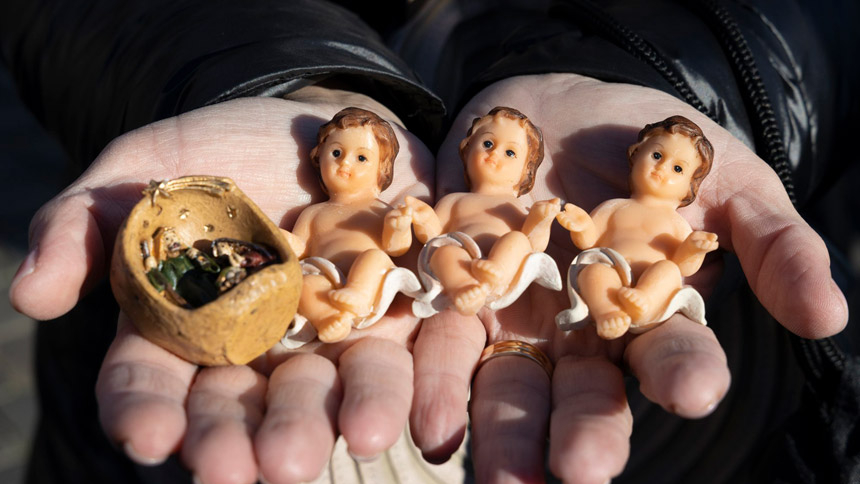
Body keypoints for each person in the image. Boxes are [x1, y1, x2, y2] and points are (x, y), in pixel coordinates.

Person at [2, 1, 857, 483]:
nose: (486, 155)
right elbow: (301, 243)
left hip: (590, 312)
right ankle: (349, 307)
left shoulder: (646, 215)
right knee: (385, 261)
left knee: (567, 267)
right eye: (335, 154)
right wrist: (405, 229)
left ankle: (606, 303)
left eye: (507, 153)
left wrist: (619, 237)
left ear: (528, 165)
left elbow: (578, 232)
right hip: (396, 272)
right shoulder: (346, 209)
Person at [556, 115, 718, 338]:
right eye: (657, 155)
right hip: (613, 268)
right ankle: (607, 311)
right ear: (636, 154)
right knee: (593, 271)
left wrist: (694, 249)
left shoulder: (677, 223)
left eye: (678, 169)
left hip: (651, 280)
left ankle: (646, 301)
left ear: (689, 188)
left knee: (669, 270)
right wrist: (582, 226)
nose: (662, 168)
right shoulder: (614, 207)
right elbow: (589, 243)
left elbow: (683, 266)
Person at [391, 106, 560, 315]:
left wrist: (541, 219)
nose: (495, 154)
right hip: (462, 255)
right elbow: (433, 235)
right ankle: (462, 287)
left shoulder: (514, 205)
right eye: (487, 143)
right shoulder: (454, 200)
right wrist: (422, 217)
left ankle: (497, 272)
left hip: (502, 266)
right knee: (442, 252)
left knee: (518, 240)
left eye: (510, 152)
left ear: (526, 171)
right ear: (468, 150)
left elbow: (533, 243)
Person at [281, 107, 419, 343]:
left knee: (373, 258)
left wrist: (398, 228)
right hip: (327, 277)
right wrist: (281, 239)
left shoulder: (380, 210)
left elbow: (395, 249)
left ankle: (359, 295)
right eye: (336, 152)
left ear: (381, 170)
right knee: (305, 283)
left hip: (369, 279)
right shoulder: (313, 213)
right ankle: (328, 318)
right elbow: (301, 250)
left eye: (361, 158)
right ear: (318, 157)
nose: (345, 163)